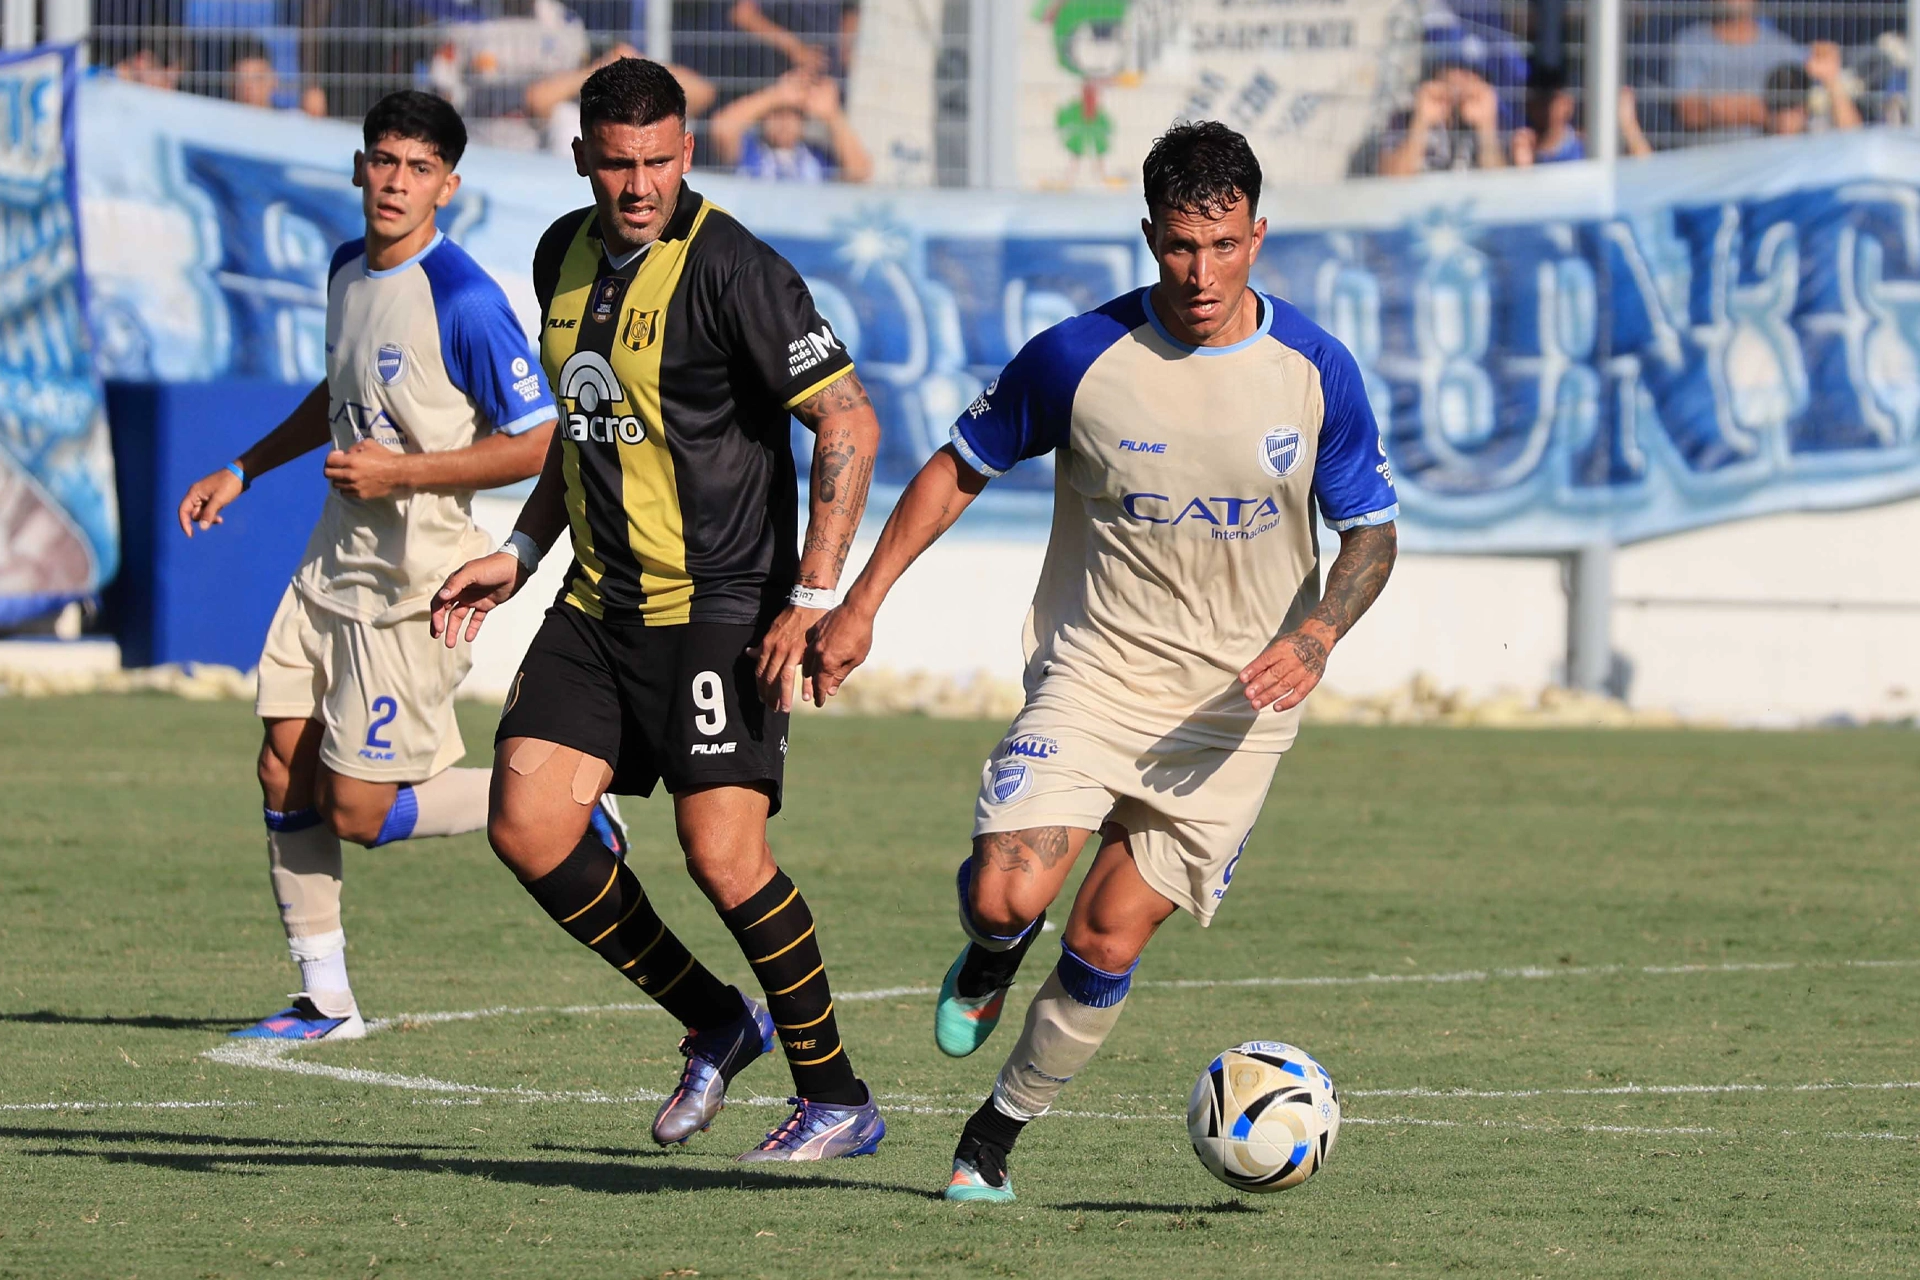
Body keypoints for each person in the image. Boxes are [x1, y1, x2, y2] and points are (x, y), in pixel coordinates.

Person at [806, 120, 1399, 1201]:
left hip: (1233, 714)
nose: (1202, 272)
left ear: (1258, 235)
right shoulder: (1079, 356)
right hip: (1098, 673)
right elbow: (957, 466)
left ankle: (993, 1135)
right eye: (1179, 245)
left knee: (1106, 933)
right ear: (1148, 236)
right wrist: (860, 604)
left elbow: (1371, 530)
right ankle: (989, 950)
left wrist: (1318, 632)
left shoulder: (1315, 371)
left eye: (1223, 245)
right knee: (1007, 891)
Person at [428, 57, 887, 1162]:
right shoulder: (561, 252)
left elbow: (851, 425)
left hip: (722, 602)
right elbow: (585, 428)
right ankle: (717, 1018)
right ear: (585, 156)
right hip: (598, 599)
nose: (639, 185)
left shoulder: (734, 266)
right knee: (528, 826)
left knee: (721, 852)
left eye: (659, 163)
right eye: (619, 164)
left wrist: (814, 597)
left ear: (688, 154)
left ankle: (837, 1094)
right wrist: (521, 549)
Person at [175, 92, 600, 1042]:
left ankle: (567, 805)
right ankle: (325, 998)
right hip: (331, 564)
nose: (395, 182)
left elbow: (540, 443)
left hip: (416, 585)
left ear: (448, 186)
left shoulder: (465, 298)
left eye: (417, 169)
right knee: (281, 764)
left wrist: (402, 470)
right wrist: (243, 468)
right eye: (383, 161)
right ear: (359, 167)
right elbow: (342, 386)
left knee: (360, 811)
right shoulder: (346, 269)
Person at [525, 41, 717, 156]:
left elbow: (704, 92)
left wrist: (637, 65)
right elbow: (536, 100)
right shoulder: (570, 110)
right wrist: (602, 69)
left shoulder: (655, 103)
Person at [1669, 0, 1803, 137]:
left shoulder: (1785, 50)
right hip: (1710, 155)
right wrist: (1765, 114)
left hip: (1771, 155)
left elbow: (1806, 111)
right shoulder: (1690, 43)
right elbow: (1690, 113)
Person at [710, 69, 871, 182]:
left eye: (793, 114)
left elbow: (860, 171)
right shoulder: (750, 149)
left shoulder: (815, 156)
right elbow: (721, 129)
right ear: (764, 117)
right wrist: (776, 96)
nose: (784, 122)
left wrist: (833, 115)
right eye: (777, 112)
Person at [1368, 64, 1508, 176]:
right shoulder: (1405, 119)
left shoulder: (1492, 121)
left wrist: (1486, 128)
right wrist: (1421, 123)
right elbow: (1390, 180)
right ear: (1437, 75)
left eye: (1471, 72)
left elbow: (1500, 186)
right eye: (1453, 69)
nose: (1461, 81)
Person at [1510, 73, 1655, 164]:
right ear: (1528, 106)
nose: (1545, 108)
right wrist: (1523, 172)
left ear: (1568, 104)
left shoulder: (1589, 148)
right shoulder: (1524, 151)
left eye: (1551, 100)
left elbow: (1646, 174)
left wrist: (1629, 126)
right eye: (1538, 100)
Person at [1761, 44, 1865, 134]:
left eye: (1793, 108)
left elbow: (1853, 136)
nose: (1786, 119)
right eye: (1778, 109)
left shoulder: (1817, 132)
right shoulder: (1762, 142)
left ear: (1804, 108)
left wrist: (1831, 81)